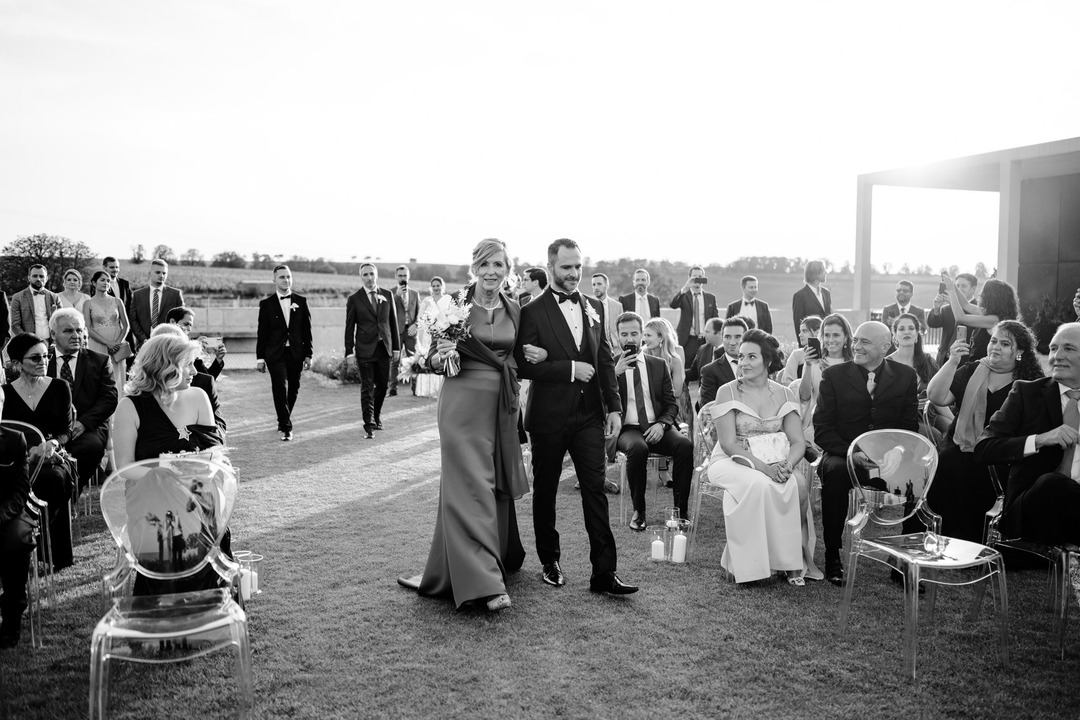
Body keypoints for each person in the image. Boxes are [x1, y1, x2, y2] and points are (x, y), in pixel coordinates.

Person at [401, 239, 529, 612]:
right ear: (474, 267)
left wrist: (533, 357)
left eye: (499, 265)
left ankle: (464, 564)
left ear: (508, 270)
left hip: (502, 409)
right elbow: (433, 360)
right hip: (461, 408)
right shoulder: (453, 305)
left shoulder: (515, 309)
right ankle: (485, 583)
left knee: (493, 484)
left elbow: (518, 355)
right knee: (472, 486)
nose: (492, 271)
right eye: (485, 264)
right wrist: (441, 357)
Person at [515, 238, 637, 596]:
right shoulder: (531, 310)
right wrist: (569, 368)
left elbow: (601, 361)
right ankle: (550, 561)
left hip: (589, 416)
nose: (574, 274)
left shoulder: (595, 305)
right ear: (551, 265)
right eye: (566, 267)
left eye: (578, 267)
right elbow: (523, 364)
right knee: (547, 491)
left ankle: (604, 573)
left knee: (595, 490)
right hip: (548, 417)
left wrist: (613, 407)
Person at [112, 333, 229, 595]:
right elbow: (124, 468)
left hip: (197, 497)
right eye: (187, 364)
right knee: (166, 554)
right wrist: (164, 472)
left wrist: (195, 472)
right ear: (165, 366)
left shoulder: (199, 396)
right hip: (151, 502)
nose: (194, 371)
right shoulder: (129, 407)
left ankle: (206, 604)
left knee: (208, 525)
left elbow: (214, 456)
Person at [706, 329, 821, 585]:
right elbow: (727, 444)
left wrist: (787, 465)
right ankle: (748, 567)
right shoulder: (728, 391)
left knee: (791, 484)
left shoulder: (783, 393)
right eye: (742, 357)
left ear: (767, 361)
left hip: (775, 461)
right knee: (758, 485)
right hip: (729, 461)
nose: (743, 362)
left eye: (751, 357)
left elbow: (797, 441)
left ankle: (789, 562)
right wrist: (765, 470)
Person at [813, 321, 919, 585]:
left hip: (888, 459)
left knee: (920, 474)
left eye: (865, 342)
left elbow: (909, 427)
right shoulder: (834, 376)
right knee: (835, 472)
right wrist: (852, 452)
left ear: (886, 346)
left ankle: (904, 560)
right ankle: (832, 556)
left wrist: (899, 449)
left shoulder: (905, 376)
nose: (856, 346)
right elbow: (822, 430)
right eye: (856, 340)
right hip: (844, 454)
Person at [925, 320, 1043, 542]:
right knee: (947, 462)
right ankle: (940, 536)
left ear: (1020, 352)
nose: (996, 347)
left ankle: (970, 540)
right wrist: (952, 361)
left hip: (1001, 453)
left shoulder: (1029, 381)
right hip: (960, 444)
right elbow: (937, 396)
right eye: (993, 341)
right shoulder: (972, 369)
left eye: (1005, 344)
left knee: (970, 467)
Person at [973, 322, 1080, 546]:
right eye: (1052, 349)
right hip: (1033, 505)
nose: (1056, 356)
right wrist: (1042, 439)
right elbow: (984, 448)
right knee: (1052, 484)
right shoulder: (1026, 393)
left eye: (1068, 348)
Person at [2, 333, 77, 571]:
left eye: (46, 355)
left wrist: (52, 444)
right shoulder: (5, 393)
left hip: (53, 457)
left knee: (55, 479)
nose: (43, 361)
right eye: (35, 358)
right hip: (19, 461)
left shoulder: (59, 387)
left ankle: (56, 554)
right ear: (17, 363)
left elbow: (66, 430)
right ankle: (22, 543)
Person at [613, 312, 693, 530]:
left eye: (634, 333)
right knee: (638, 449)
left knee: (685, 445)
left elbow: (671, 404)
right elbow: (599, 403)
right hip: (628, 429)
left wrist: (662, 424)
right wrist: (614, 373)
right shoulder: (608, 366)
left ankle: (680, 512)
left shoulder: (658, 364)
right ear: (617, 337)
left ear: (641, 336)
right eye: (624, 334)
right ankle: (639, 512)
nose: (629, 339)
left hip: (658, 425)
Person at [48, 309, 117, 490]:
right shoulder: (42, 359)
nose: (76, 335)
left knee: (91, 447)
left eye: (79, 330)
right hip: (49, 428)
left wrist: (83, 423)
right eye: (68, 331)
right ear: (53, 334)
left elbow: (109, 399)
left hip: (87, 427)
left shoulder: (100, 361)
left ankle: (71, 494)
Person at [256, 265, 313, 441]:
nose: (286, 280)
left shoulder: (301, 301)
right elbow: (262, 332)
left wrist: (309, 354)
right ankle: (287, 427)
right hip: (275, 353)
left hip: (296, 352)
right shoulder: (266, 305)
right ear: (274, 280)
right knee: (280, 386)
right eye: (282, 277)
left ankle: (283, 419)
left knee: (294, 388)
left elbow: (307, 330)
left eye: (288, 277)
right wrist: (260, 358)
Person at [345, 263, 399, 439]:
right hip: (364, 349)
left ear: (377, 275)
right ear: (361, 277)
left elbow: (393, 323)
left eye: (371, 274)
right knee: (367, 387)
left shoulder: (388, 295)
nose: (369, 278)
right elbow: (349, 327)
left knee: (383, 386)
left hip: (384, 348)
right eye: (365, 274)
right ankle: (368, 425)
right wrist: (349, 352)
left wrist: (396, 347)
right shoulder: (354, 299)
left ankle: (376, 416)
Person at [792, 313, 852, 454]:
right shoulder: (814, 363)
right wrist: (807, 365)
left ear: (846, 338)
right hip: (816, 426)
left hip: (846, 425)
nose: (830, 340)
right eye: (827, 335)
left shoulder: (854, 364)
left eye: (836, 335)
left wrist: (833, 377)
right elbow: (805, 397)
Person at [153, 324, 227, 434]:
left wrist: (188, 436)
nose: (194, 371)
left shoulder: (203, 382)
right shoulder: (143, 392)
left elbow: (219, 428)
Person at [0, 388, 31, 648]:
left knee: (17, 541)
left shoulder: (14, 440)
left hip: (8, 510)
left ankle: (12, 614)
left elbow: (21, 491)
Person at [886, 313, 949, 441]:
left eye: (911, 328)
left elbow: (937, 397)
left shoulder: (927, 361)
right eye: (902, 329)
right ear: (895, 336)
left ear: (916, 334)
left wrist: (955, 421)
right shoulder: (887, 364)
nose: (906, 332)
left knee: (953, 429)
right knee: (936, 436)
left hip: (929, 414)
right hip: (904, 419)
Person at [941, 274, 1020, 364]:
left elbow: (960, 317)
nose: (979, 294)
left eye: (983, 293)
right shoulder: (991, 313)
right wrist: (952, 285)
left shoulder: (995, 320)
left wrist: (951, 291)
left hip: (982, 365)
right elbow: (965, 304)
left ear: (992, 298)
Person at [84, 270, 132, 393]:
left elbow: (126, 325)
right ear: (94, 283)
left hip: (117, 344)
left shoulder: (117, 301)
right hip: (97, 343)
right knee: (99, 375)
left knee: (117, 377)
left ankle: (118, 408)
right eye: (102, 280)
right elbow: (88, 329)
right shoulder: (88, 303)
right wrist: (107, 343)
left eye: (108, 281)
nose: (106, 283)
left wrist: (117, 343)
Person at [669, 266, 719, 372]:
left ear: (704, 278)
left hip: (706, 340)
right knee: (684, 368)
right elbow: (673, 305)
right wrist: (685, 288)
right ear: (689, 277)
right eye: (695, 277)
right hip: (688, 339)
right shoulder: (685, 295)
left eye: (700, 277)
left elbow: (715, 319)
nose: (697, 279)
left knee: (705, 369)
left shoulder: (710, 297)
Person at [643, 317, 689, 427]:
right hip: (646, 407)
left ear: (661, 338)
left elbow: (677, 392)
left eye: (649, 335)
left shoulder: (674, 359)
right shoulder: (642, 355)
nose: (645, 339)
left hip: (670, 407)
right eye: (644, 335)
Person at [129, 259, 185, 351]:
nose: (161, 275)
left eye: (164, 273)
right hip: (143, 344)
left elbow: (182, 319)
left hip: (168, 345)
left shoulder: (175, 294)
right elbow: (133, 319)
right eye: (158, 272)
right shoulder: (137, 295)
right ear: (150, 273)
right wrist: (143, 339)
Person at [928, 272, 978, 366]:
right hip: (943, 359)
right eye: (957, 286)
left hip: (965, 361)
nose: (959, 289)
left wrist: (955, 304)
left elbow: (963, 319)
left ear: (973, 289)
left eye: (963, 286)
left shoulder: (978, 309)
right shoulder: (947, 308)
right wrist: (936, 308)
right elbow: (933, 323)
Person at [699, 317, 748, 408]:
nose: (732, 342)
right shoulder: (710, 371)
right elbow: (708, 408)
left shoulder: (758, 365)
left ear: (746, 338)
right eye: (727, 337)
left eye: (737, 337)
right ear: (722, 338)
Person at [166, 307, 227, 378]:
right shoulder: (163, 345)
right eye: (186, 324)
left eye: (190, 325)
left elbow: (208, 378)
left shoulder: (190, 345)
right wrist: (193, 348)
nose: (189, 329)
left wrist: (218, 359)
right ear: (172, 322)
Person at [389, 265, 420, 397]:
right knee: (394, 361)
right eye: (400, 275)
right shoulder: (390, 293)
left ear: (409, 277)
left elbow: (420, 313)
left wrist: (416, 325)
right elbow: (388, 312)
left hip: (411, 332)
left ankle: (415, 388)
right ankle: (393, 388)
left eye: (405, 275)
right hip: (396, 331)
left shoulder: (415, 294)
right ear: (396, 277)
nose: (403, 278)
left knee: (414, 360)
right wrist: (397, 296)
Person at [10, 265, 61, 338]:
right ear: (29, 278)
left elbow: (60, 323)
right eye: (35, 276)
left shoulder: (55, 297)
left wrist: (55, 341)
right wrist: (28, 341)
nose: (38, 279)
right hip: (28, 344)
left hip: (51, 343)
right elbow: (15, 325)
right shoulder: (17, 298)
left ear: (46, 278)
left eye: (41, 276)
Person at [792, 260, 831, 343]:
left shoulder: (826, 293)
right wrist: (803, 348)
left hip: (827, 343)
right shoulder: (800, 296)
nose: (826, 272)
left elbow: (829, 318)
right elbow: (798, 325)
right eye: (824, 270)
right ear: (816, 273)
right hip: (810, 344)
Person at [781, 315, 823, 384]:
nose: (800, 335)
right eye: (800, 331)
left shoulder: (828, 353)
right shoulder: (796, 354)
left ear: (818, 332)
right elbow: (788, 382)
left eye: (804, 331)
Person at [416, 276, 451, 354]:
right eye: (433, 286)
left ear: (442, 286)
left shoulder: (447, 300)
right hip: (428, 334)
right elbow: (420, 318)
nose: (436, 288)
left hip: (443, 333)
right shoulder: (427, 301)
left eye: (438, 285)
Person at [591, 272, 623, 351]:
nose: (596, 287)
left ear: (607, 285)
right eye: (594, 285)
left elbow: (622, 329)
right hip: (596, 349)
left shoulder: (618, 306)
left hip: (615, 349)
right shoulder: (587, 305)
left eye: (599, 284)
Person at [688, 318, 723, 387]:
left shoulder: (730, 351)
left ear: (719, 333)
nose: (704, 335)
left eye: (707, 332)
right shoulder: (702, 349)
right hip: (705, 395)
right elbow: (693, 373)